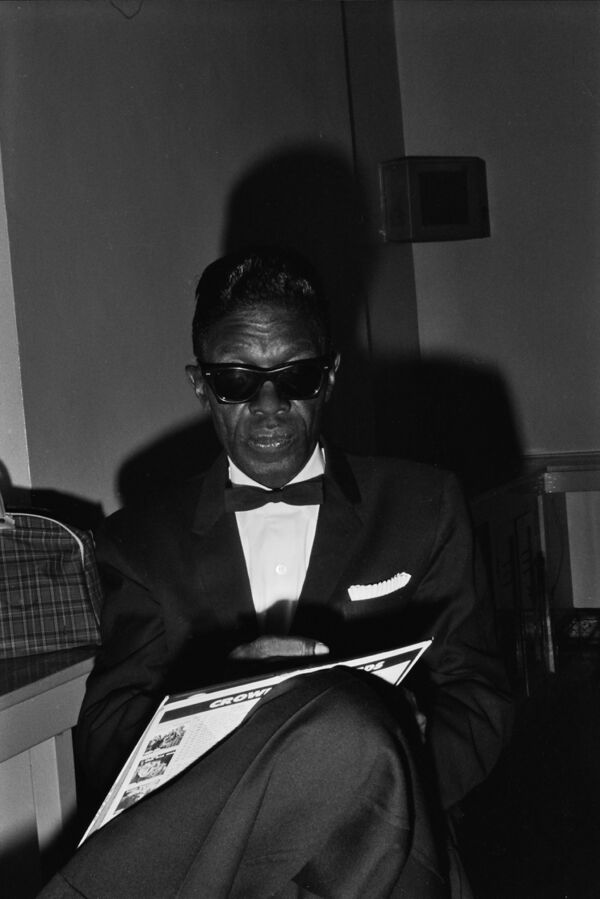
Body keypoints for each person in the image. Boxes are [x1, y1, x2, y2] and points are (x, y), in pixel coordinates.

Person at [42, 248, 511, 898]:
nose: (269, 404)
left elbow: (480, 700)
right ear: (200, 385)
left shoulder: (423, 507)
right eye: (236, 380)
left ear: (331, 376)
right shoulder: (140, 541)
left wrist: (395, 755)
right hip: (226, 863)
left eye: (298, 375)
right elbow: (107, 736)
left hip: (392, 847)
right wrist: (224, 689)